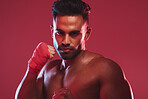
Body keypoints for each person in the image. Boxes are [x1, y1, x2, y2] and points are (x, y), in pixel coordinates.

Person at [15, 0, 134, 99]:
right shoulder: (47, 71)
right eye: (59, 33)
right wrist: (33, 68)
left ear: (86, 34)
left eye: (74, 34)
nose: (65, 41)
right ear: (52, 32)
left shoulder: (105, 70)